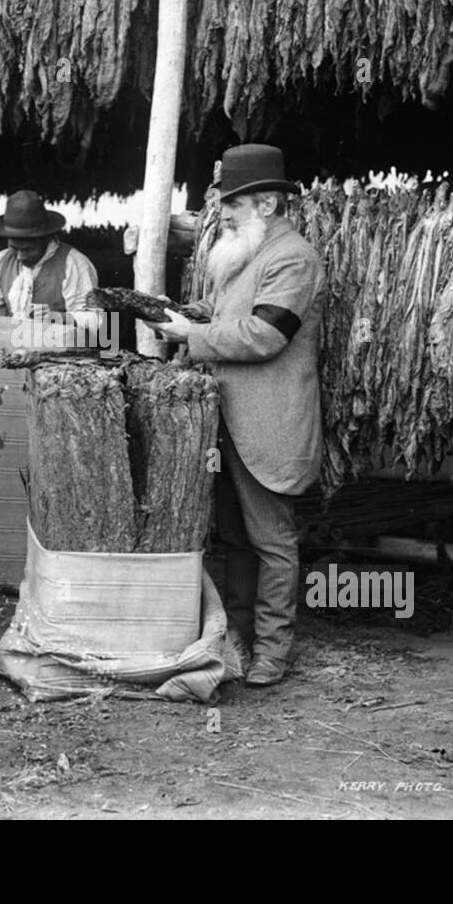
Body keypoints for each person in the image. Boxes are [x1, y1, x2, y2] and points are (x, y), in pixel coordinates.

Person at [146, 144, 325, 688]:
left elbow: (266, 335)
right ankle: (239, 640)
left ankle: (274, 651)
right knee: (235, 539)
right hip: (227, 423)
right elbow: (233, 318)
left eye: (234, 200)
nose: (221, 211)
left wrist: (191, 336)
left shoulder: (293, 257)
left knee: (272, 542)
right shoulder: (246, 253)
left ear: (268, 204)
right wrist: (183, 316)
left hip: (267, 425)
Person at [0, 189, 100, 334]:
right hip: (12, 348)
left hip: (60, 354)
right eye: (14, 248)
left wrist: (57, 317)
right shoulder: (1, 261)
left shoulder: (74, 264)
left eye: (27, 250)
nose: (19, 257)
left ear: (45, 238)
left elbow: (96, 321)